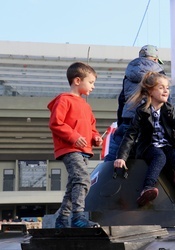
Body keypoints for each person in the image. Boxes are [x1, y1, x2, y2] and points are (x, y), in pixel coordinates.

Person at [114, 71, 175, 209]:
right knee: (160, 157)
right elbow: (131, 134)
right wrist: (121, 157)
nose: (166, 91)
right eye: (161, 87)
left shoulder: (169, 109)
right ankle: (147, 188)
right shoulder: (142, 111)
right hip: (149, 146)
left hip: (167, 145)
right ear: (150, 92)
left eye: (167, 88)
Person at [48, 62, 103, 228]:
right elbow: (56, 123)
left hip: (83, 151)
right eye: (91, 82)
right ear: (78, 80)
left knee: (74, 185)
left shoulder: (86, 106)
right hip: (70, 149)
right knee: (83, 180)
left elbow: (91, 128)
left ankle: (62, 219)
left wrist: (95, 137)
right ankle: (78, 217)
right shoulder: (64, 100)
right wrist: (73, 136)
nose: (93, 86)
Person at [103, 45, 165, 162]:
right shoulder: (159, 73)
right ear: (156, 59)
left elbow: (122, 100)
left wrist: (121, 122)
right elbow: (164, 100)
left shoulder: (128, 73)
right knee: (151, 158)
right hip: (148, 120)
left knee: (117, 155)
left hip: (128, 119)